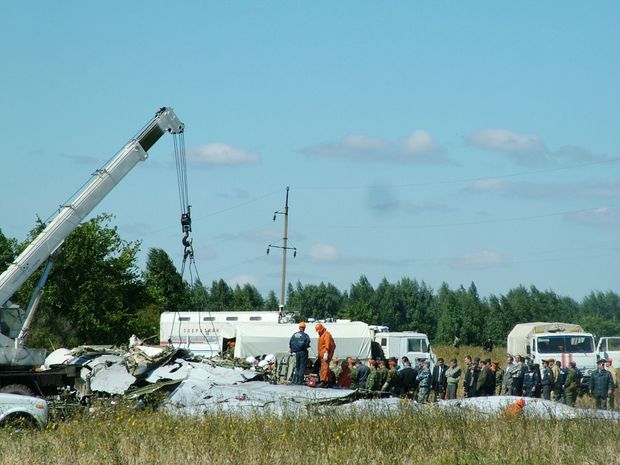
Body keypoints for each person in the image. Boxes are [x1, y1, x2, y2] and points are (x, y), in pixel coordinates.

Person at [315, 323, 336, 388]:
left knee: (324, 367)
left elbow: (327, 344)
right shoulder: (321, 335)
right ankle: (329, 382)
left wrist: (326, 352)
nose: (318, 332)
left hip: (325, 354)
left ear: (321, 329)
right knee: (325, 368)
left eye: (318, 330)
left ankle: (323, 381)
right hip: (322, 354)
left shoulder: (326, 334)